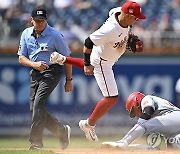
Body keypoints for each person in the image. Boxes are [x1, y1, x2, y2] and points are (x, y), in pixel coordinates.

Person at [50, 1, 146, 142]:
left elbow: (113, 12)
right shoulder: (110, 29)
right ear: (125, 15)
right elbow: (88, 42)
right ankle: (88, 124)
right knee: (112, 97)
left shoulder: (119, 12)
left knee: (94, 65)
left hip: (103, 55)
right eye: (135, 17)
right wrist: (88, 64)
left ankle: (64, 59)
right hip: (102, 63)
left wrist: (127, 37)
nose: (137, 19)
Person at [17, 6, 73, 150]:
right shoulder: (26, 34)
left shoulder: (55, 35)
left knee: (38, 103)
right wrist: (33, 64)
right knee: (35, 109)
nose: (40, 23)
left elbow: (67, 58)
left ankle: (36, 142)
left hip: (52, 71)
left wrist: (69, 80)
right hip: (35, 72)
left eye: (43, 20)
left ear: (46, 20)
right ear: (32, 21)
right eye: (37, 20)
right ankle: (61, 131)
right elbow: (21, 58)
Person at [102, 92, 180, 149]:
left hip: (174, 116)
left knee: (143, 124)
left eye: (134, 111)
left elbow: (148, 111)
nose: (136, 114)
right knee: (172, 144)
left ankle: (123, 142)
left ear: (137, 103)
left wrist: (135, 132)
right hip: (174, 122)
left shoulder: (146, 98)